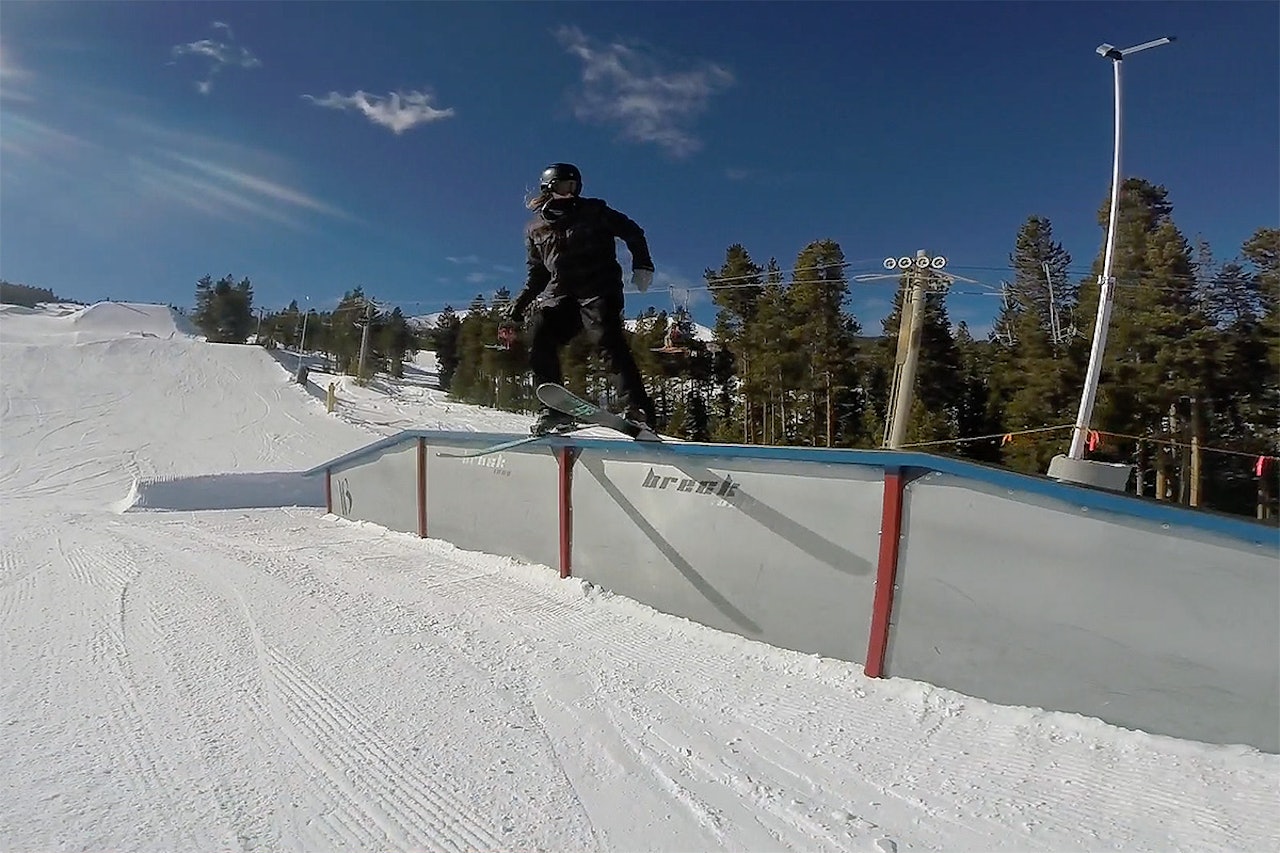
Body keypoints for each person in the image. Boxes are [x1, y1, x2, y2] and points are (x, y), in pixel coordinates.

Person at [508, 162, 658, 435]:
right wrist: (518, 307)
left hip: (598, 289)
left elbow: (633, 232)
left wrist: (643, 264)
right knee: (540, 339)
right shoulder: (536, 229)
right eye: (565, 187)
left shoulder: (595, 211)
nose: (571, 193)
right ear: (549, 188)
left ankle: (637, 409)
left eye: (575, 187)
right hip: (560, 296)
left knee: (606, 340)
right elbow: (537, 275)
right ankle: (554, 411)